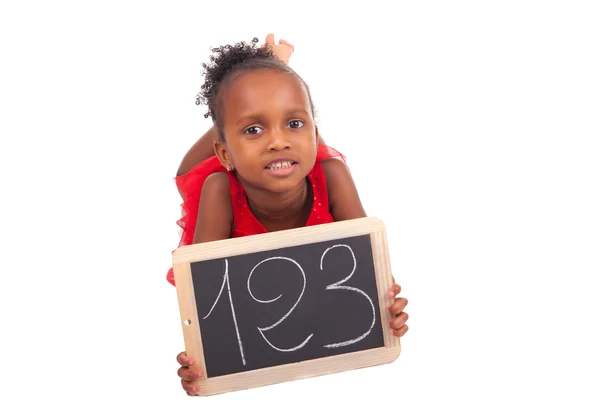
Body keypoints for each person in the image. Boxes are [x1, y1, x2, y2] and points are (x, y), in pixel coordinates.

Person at [170, 34, 409, 396]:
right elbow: (207, 300)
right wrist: (200, 362)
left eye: (296, 125)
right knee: (193, 168)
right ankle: (267, 83)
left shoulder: (333, 176)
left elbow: (369, 264)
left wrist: (387, 307)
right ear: (225, 155)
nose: (278, 140)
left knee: (282, 127)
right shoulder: (218, 189)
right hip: (228, 178)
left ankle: (278, 88)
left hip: (292, 161)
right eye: (254, 130)